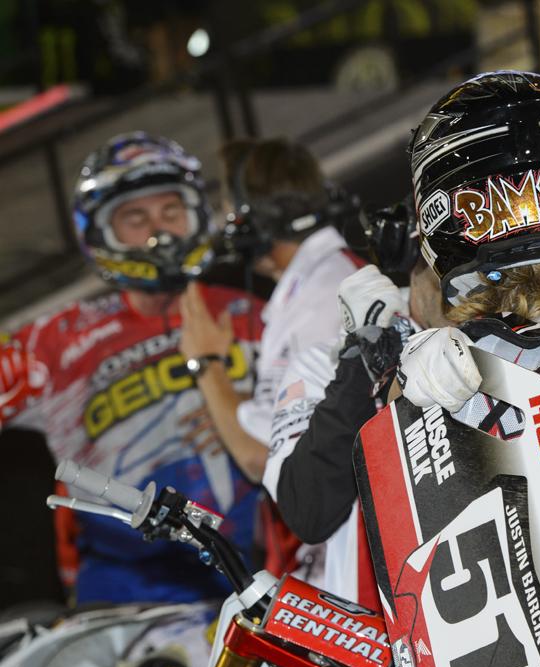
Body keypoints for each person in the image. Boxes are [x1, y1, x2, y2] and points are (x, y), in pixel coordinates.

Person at [0, 132, 262, 603]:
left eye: (170, 211)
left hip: (261, 583)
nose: (158, 231)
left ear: (196, 214)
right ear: (101, 233)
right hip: (130, 602)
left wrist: (253, 411)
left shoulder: (254, 312)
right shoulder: (54, 342)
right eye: (135, 218)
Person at [261, 203, 444, 605]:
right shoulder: (323, 363)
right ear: (412, 254)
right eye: (444, 261)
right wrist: (365, 362)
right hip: (385, 642)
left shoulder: (514, 336)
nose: (463, 283)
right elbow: (308, 509)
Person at [179, 137, 358, 487]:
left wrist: (205, 363)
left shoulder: (324, 297)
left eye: (231, 211)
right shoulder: (316, 285)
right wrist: (250, 406)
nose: (228, 226)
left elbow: (259, 458)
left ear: (253, 225)